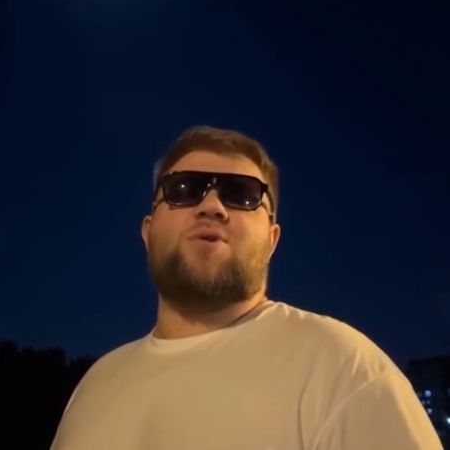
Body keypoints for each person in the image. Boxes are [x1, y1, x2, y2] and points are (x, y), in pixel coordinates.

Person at [50, 125, 443, 450]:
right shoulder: (95, 386)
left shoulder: (344, 371)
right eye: (184, 189)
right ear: (148, 231)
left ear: (272, 240)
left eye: (242, 195)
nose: (212, 206)